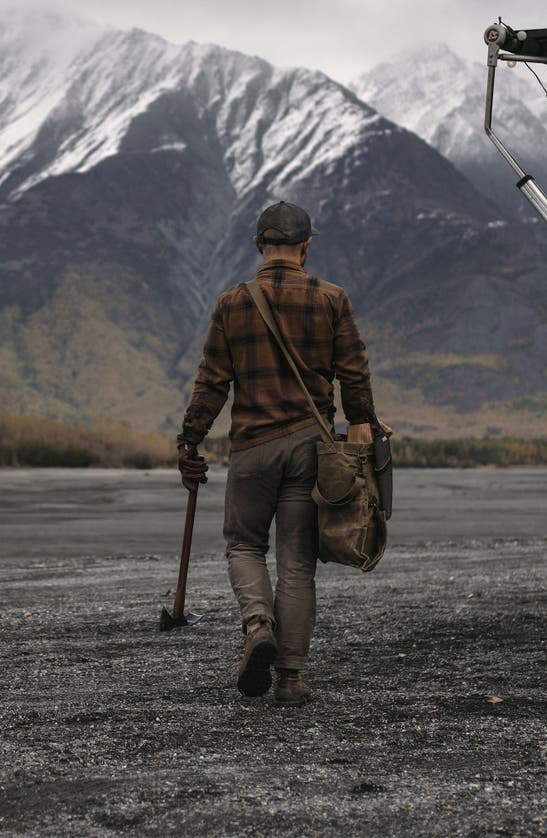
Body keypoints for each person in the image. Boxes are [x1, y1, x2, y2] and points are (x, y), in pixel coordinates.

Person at [177, 201, 376, 706]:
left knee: (244, 546)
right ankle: (289, 680)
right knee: (297, 565)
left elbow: (212, 383)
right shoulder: (333, 299)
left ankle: (257, 625)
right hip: (310, 451)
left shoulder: (231, 304)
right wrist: (362, 428)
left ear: (257, 246)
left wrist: (190, 439)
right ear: (307, 247)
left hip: (251, 450)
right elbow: (354, 374)